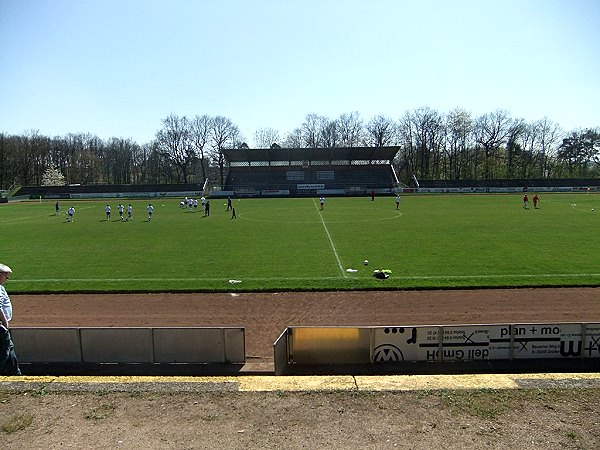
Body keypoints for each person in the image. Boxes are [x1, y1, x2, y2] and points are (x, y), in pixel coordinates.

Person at [0, 263, 21, 375]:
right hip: (1, 327)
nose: (7, 279)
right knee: (4, 352)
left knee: (9, 350)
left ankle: (16, 375)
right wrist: (5, 322)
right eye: (6, 276)